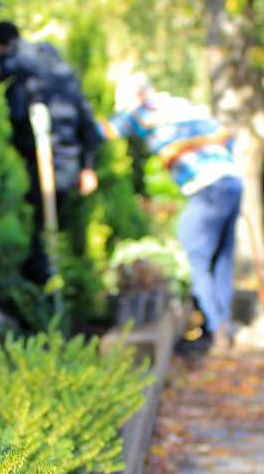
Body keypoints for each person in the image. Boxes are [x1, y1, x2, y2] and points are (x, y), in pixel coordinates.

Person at [104, 74, 243, 351]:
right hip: (232, 181)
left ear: (139, 97)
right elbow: (228, 138)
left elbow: (106, 131)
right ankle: (222, 322)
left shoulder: (141, 113)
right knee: (221, 258)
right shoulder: (183, 106)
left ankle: (216, 331)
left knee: (196, 257)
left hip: (206, 188)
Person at [0, 22, 104, 286]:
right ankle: (45, 287)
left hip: (37, 163)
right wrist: (88, 165)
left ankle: (42, 293)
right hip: (67, 161)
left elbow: (14, 120)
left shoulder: (14, 70)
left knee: (36, 235)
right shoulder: (57, 64)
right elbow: (86, 119)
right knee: (46, 229)